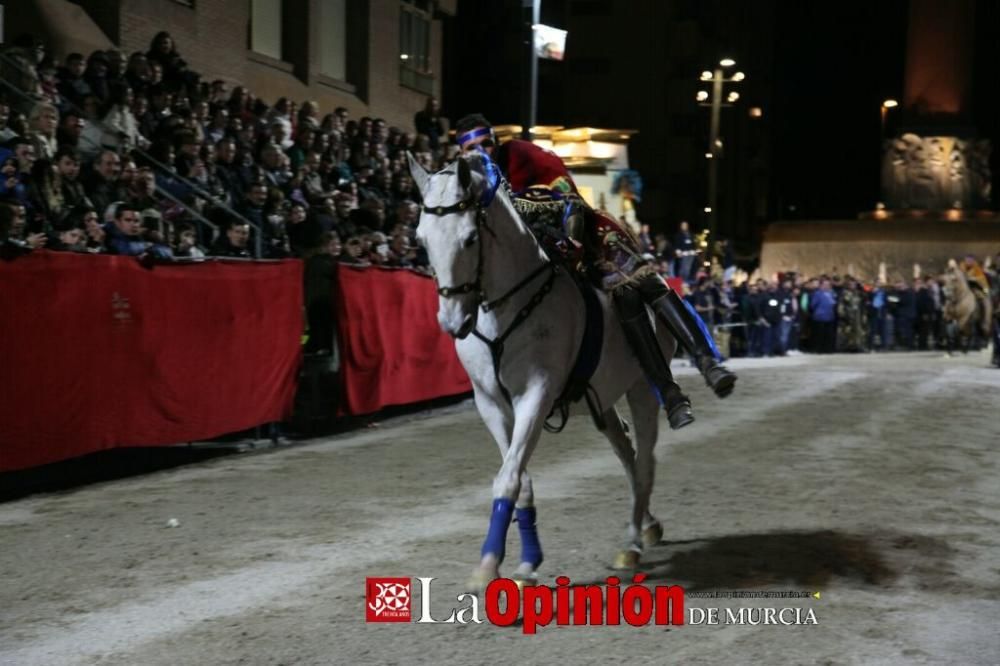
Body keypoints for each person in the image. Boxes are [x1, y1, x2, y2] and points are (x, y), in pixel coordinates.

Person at [454, 114, 736, 429]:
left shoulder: (522, 154)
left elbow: (568, 194)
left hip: (576, 231)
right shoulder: (467, 186)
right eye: (472, 148)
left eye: (486, 144)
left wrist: (573, 240)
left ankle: (705, 362)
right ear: (462, 154)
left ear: (496, 142)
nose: (481, 152)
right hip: (533, 258)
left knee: (638, 285)